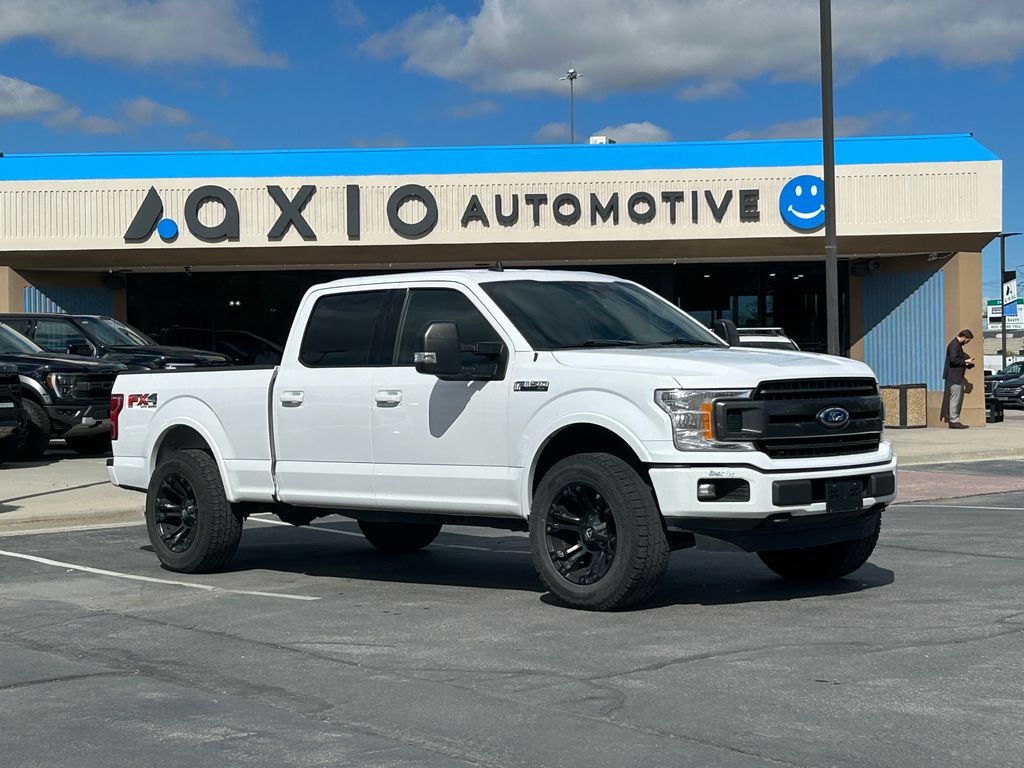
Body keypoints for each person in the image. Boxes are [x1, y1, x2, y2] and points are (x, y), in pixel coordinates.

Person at [943, 329, 975, 428]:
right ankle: (954, 421)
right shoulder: (955, 345)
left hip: (954, 376)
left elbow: (958, 358)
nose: (967, 342)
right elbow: (953, 360)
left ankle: (954, 420)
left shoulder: (956, 345)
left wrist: (967, 362)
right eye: (967, 340)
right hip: (954, 377)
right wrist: (966, 362)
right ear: (964, 337)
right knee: (955, 399)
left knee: (955, 398)